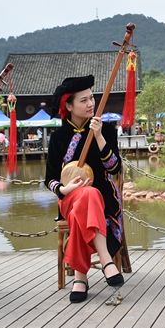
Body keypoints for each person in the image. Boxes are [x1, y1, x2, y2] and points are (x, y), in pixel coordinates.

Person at [45, 76, 124, 303]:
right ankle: (106, 259)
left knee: (89, 195)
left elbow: (115, 168)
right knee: (84, 197)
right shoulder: (58, 137)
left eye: (92, 98)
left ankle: (81, 277)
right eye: (84, 100)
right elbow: (49, 179)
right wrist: (64, 188)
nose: (91, 104)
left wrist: (98, 137)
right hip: (69, 198)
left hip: (102, 200)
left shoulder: (106, 130)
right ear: (69, 106)